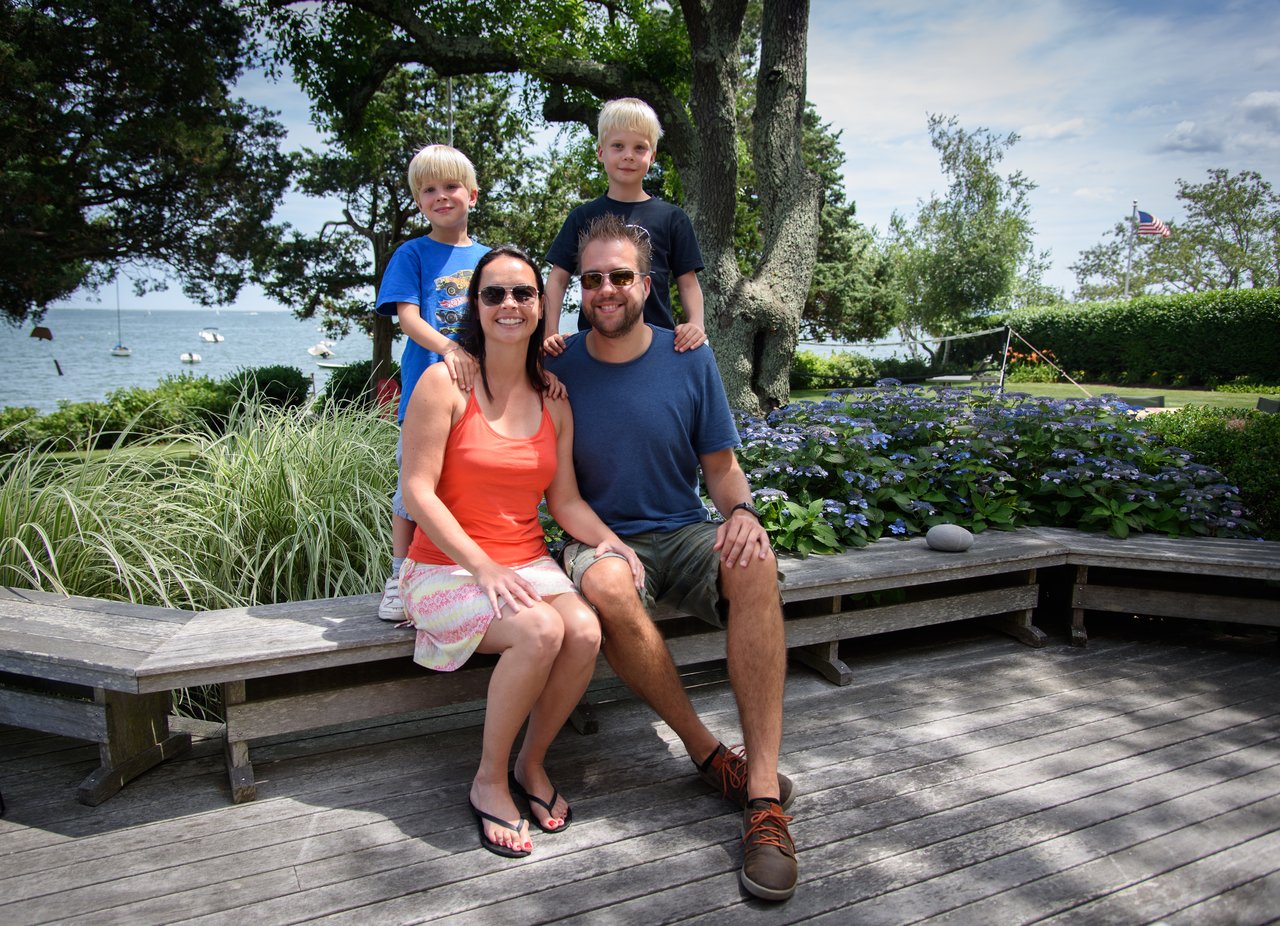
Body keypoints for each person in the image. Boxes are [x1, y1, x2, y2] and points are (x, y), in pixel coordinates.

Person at [545, 214, 798, 901]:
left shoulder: (688, 356)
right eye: (591, 279)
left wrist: (743, 514)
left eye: (619, 277)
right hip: (597, 534)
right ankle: (709, 754)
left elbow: (720, 468)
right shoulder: (556, 364)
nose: (604, 290)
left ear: (645, 283)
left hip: (682, 529)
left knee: (755, 561)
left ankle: (764, 798)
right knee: (607, 583)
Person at [399, 244, 644, 858]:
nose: (509, 304)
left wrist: (613, 544)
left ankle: (531, 764)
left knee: (584, 630)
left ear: (541, 307)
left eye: (523, 293)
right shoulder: (443, 382)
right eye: (494, 294)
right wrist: (481, 567)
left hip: (525, 562)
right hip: (444, 566)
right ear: (476, 308)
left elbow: (564, 502)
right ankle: (488, 779)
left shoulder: (553, 397)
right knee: (538, 630)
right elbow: (416, 492)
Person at [375, 145, 488, 622]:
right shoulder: (412, 253)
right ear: (419, 202)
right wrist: (449, 348)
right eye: (429, 190)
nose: (441, 197)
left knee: (467, 481)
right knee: (414, 485)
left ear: (472, 195)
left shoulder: (489, 258)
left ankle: (462, 565)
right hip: (427, 393)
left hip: (480, 396)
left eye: (451, 187)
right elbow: (407, 318)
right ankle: (401, 573)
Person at [542, 97, 707, 356]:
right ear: (600, 152)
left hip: (659, 347)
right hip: (595, 346)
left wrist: (696, 323)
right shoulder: (581, 217)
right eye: (618, 146)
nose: (628, 156)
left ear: (652, 156)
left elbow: (688, 283)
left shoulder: (673, 218)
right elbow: (557, 280)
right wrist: (549, 331)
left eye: (639, 148)